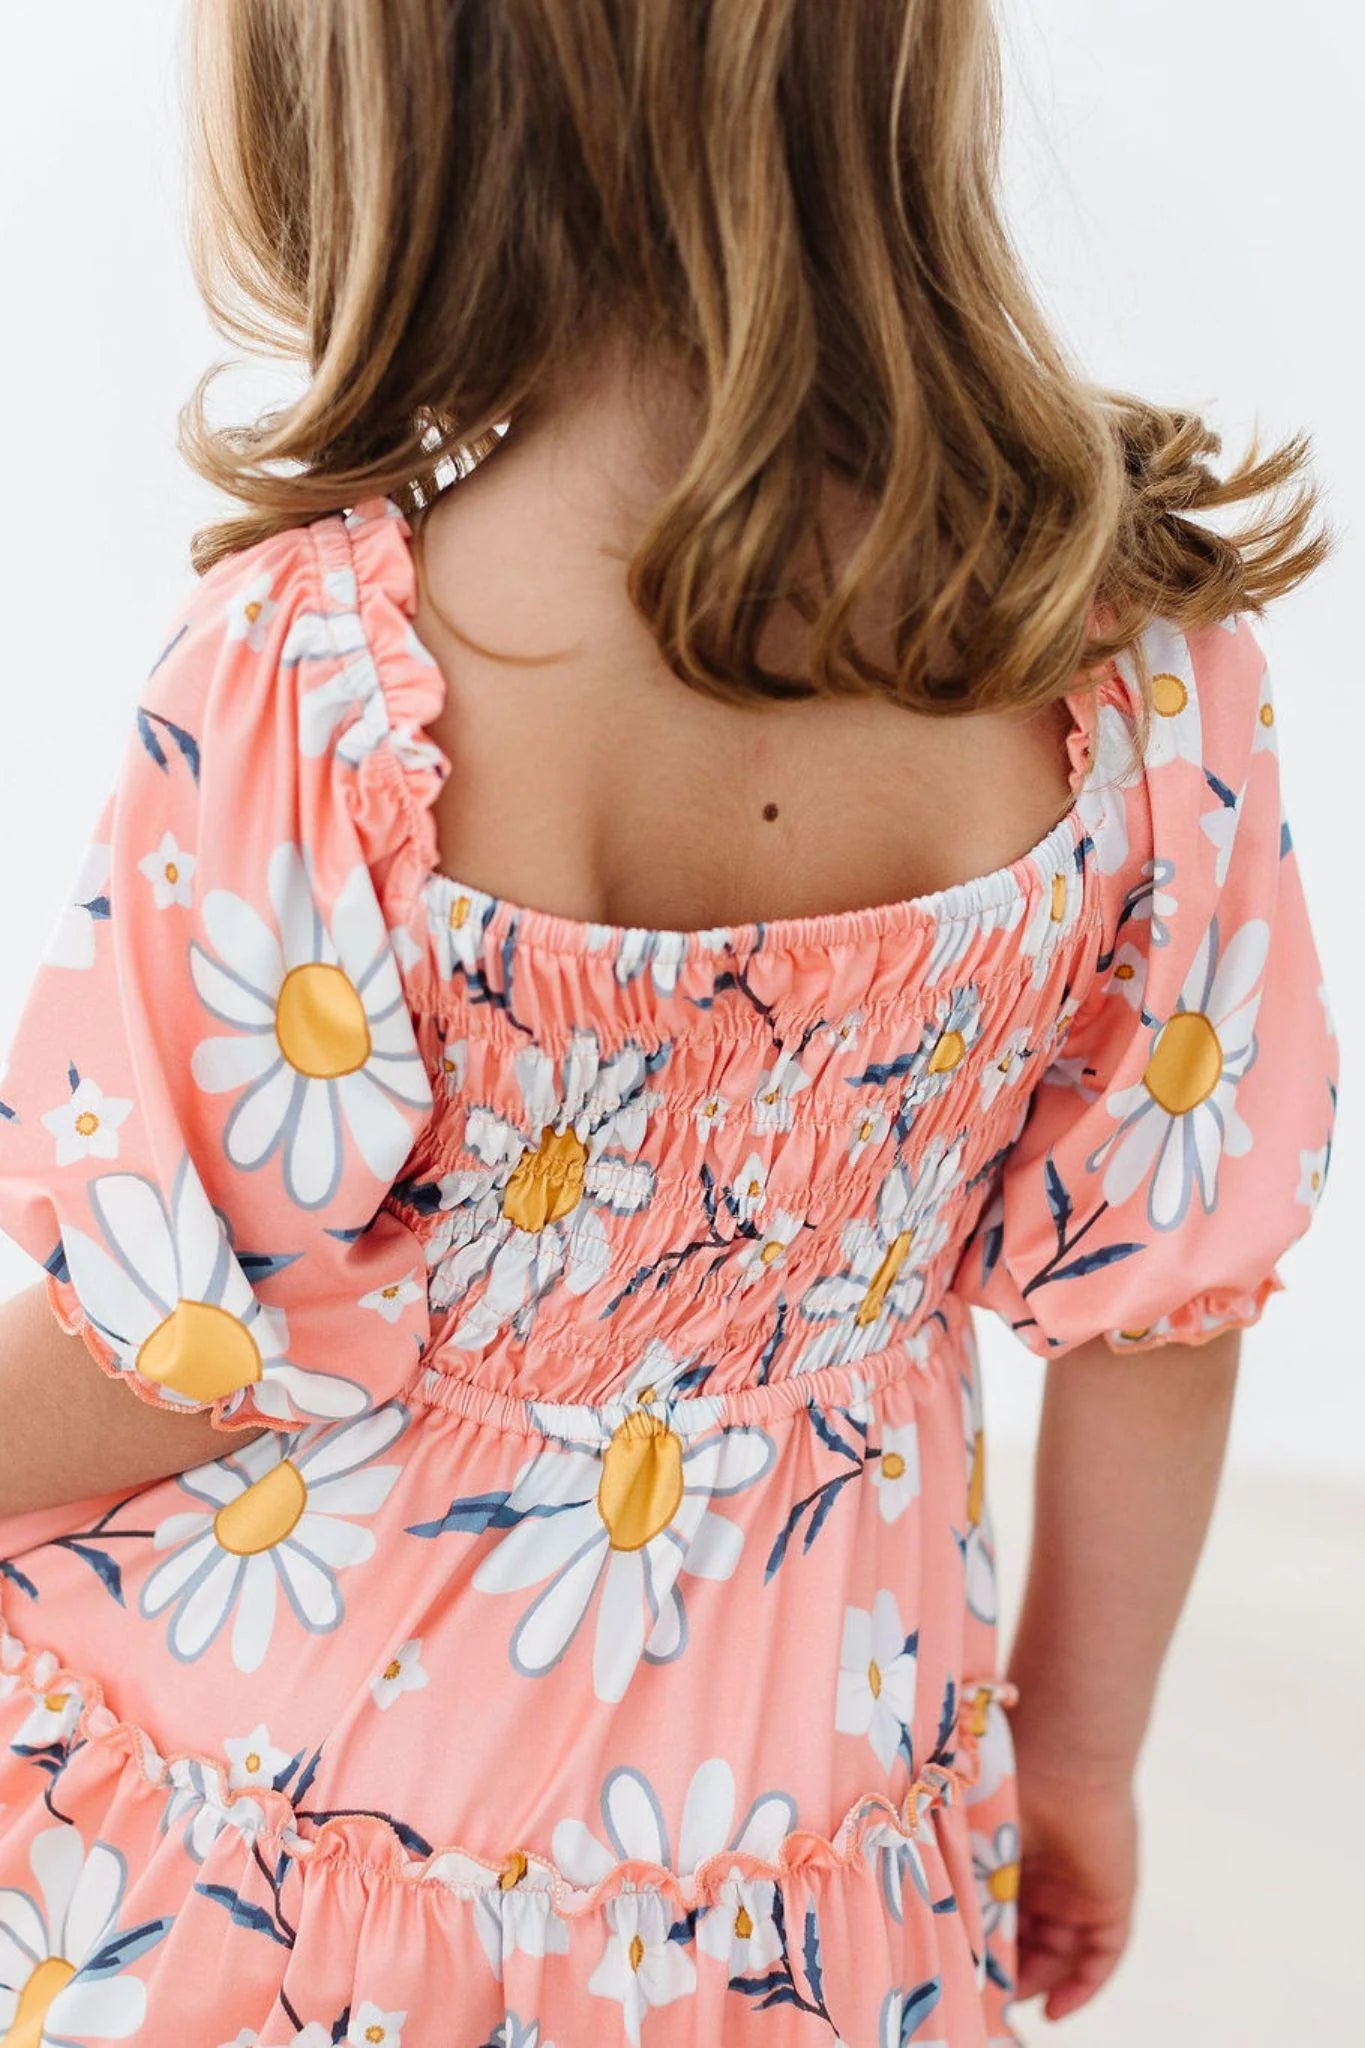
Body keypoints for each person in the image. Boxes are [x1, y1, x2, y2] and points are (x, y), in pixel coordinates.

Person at [0, 2, 1340, 2043]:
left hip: (296, 1810)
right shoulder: (1135, 668)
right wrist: (1070, 1756)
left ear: (396, 106)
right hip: (802, 1833)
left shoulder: (321, 675)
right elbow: (1162, 1305)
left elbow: (181, 1343)